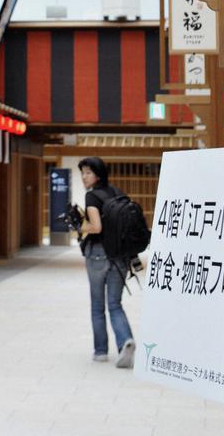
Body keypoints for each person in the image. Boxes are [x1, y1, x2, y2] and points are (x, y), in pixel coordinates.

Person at [78, 156, 135, 367]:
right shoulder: (117, 193)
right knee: (115, 304)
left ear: (98, 175)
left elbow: (96, 227)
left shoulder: (92, 197)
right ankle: (125, 342)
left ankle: (101, 351)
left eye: (88, 173)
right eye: (82, 172)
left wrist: (78, 226)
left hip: (98, 255)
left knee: (97, 305)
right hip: (119, 256)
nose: (84, 177)